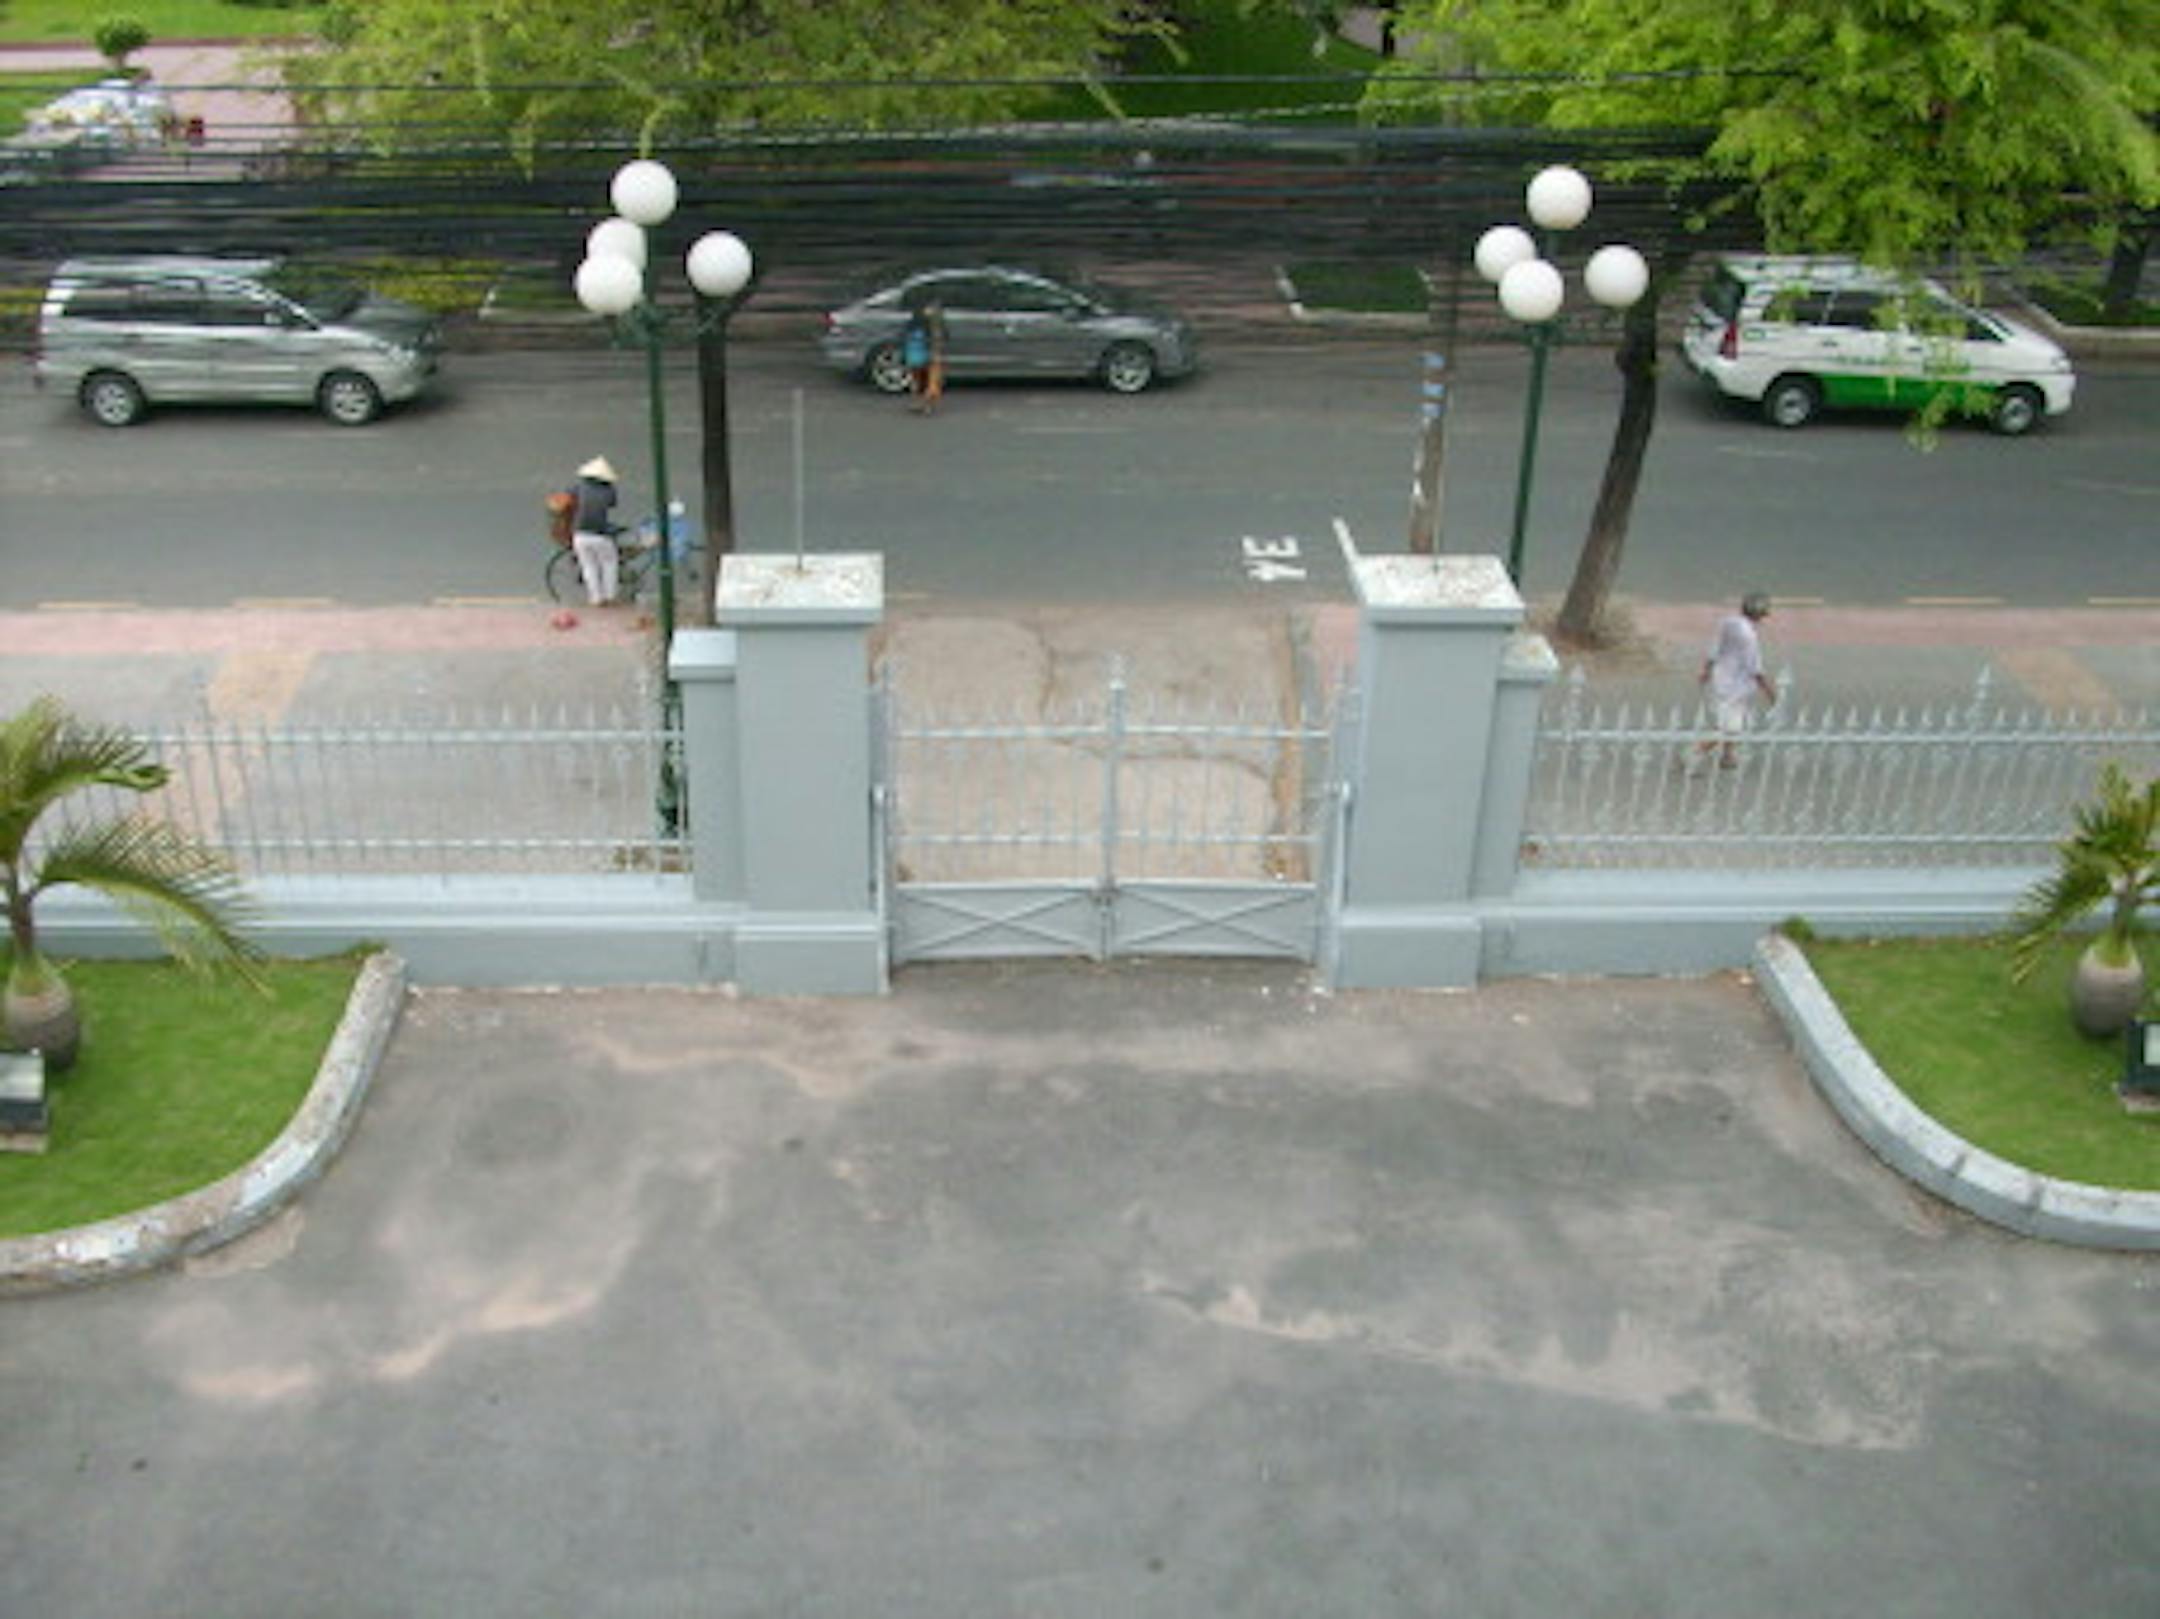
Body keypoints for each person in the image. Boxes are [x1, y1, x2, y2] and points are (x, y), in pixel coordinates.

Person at [1695, 592, 1777, 770]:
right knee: (1729, 728)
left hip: (1720, 679)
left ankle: (1728, 756)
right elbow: (1756, 669)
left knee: (1731, 720)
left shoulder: (1728, 622)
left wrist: (1706, 670)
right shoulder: (1749, 638)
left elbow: (1714, 648)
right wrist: (1770, 693)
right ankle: (1691, 755)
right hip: (1736, 686)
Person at [569, 455, 623, 606]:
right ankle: (610, 596)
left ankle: (596, 598)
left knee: (588, 566)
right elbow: (612, 504)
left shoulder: (579, 487)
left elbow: (569, 496)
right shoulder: (608, 490)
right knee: (610, 563)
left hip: (580, 534)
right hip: (600, 533)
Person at [903, 301, 945, 413]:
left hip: (918, 353)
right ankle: (925, 404)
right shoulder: (932, 323)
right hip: (925, 353)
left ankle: (922, 403)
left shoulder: (916, 323)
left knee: (921, 380)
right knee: (927, 380)